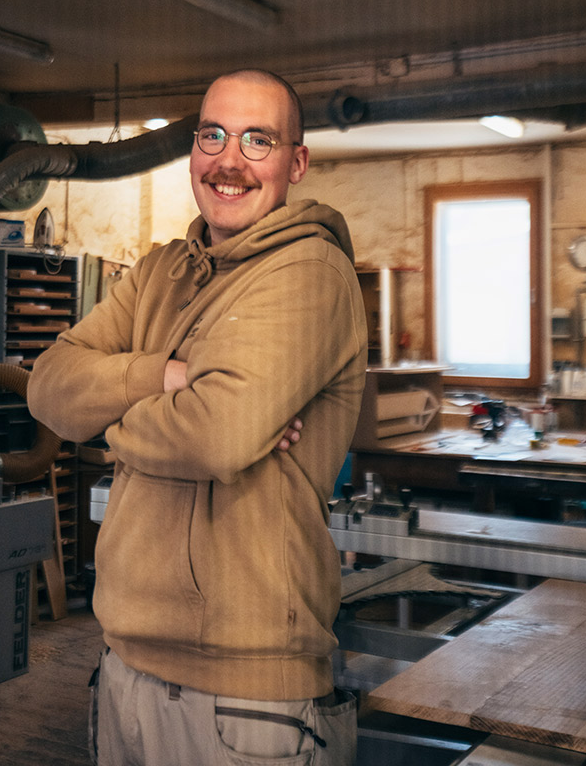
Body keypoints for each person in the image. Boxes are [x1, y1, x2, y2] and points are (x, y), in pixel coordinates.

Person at [27, 68, 367, 765]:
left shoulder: (309, 273)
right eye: (212, 135)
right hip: (125, 666)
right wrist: (164, 377)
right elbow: (49, 387)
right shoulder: (159, 272)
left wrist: (110, 415)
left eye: (257, 140)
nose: (229, 161)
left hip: (246, 695)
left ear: (295, 163)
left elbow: (213, 435)